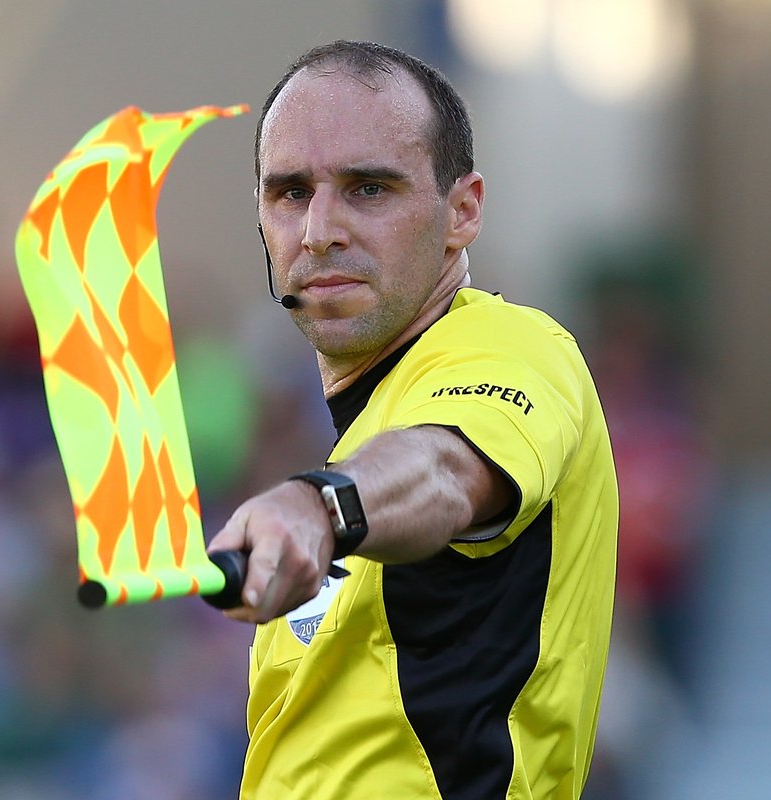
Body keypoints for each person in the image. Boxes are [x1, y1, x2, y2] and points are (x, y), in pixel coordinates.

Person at [206, 41, 618, 799]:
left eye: (367, 189)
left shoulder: (512, 347)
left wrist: (318, 507)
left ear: (463, 211)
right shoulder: (360, 430)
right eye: (290, 193)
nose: (319, 229)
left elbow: (443, 469)